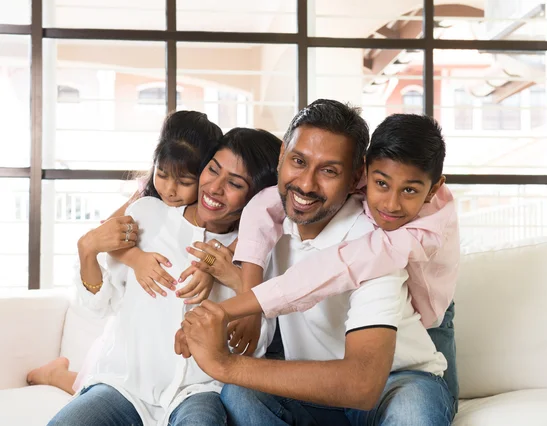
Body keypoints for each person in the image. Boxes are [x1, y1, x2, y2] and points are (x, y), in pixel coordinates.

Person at [175, 100, 455, 425]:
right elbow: (224, 231)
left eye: (329, 171)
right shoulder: (271, 218)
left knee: (412, 413)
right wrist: (206, 277)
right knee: (240, 395)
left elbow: (362, 383)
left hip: (396, 381)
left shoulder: (378, 245)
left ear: (355, 179)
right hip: (312, 391)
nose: (306, 184)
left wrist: (225, 364)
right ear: (282, 156)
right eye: (298, 161)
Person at [47, 127, 281, 426]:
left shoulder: (256, 255)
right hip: (124, 385)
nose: (214, 187)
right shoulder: (147, 214)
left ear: (255, 196)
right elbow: (99, 306)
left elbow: (255, 346)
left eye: (234, 183)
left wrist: (232, 278)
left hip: (199, 392)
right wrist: (88, 252)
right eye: (212, 170)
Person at [26, 110, 224, 395]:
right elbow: (108, 232)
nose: (169, 189)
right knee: (90, 384)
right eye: (162, 175)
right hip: (128, 337)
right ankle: (54, 374)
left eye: (184, 182)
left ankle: (58, 373)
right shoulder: (147, 201)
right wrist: (137, 259)